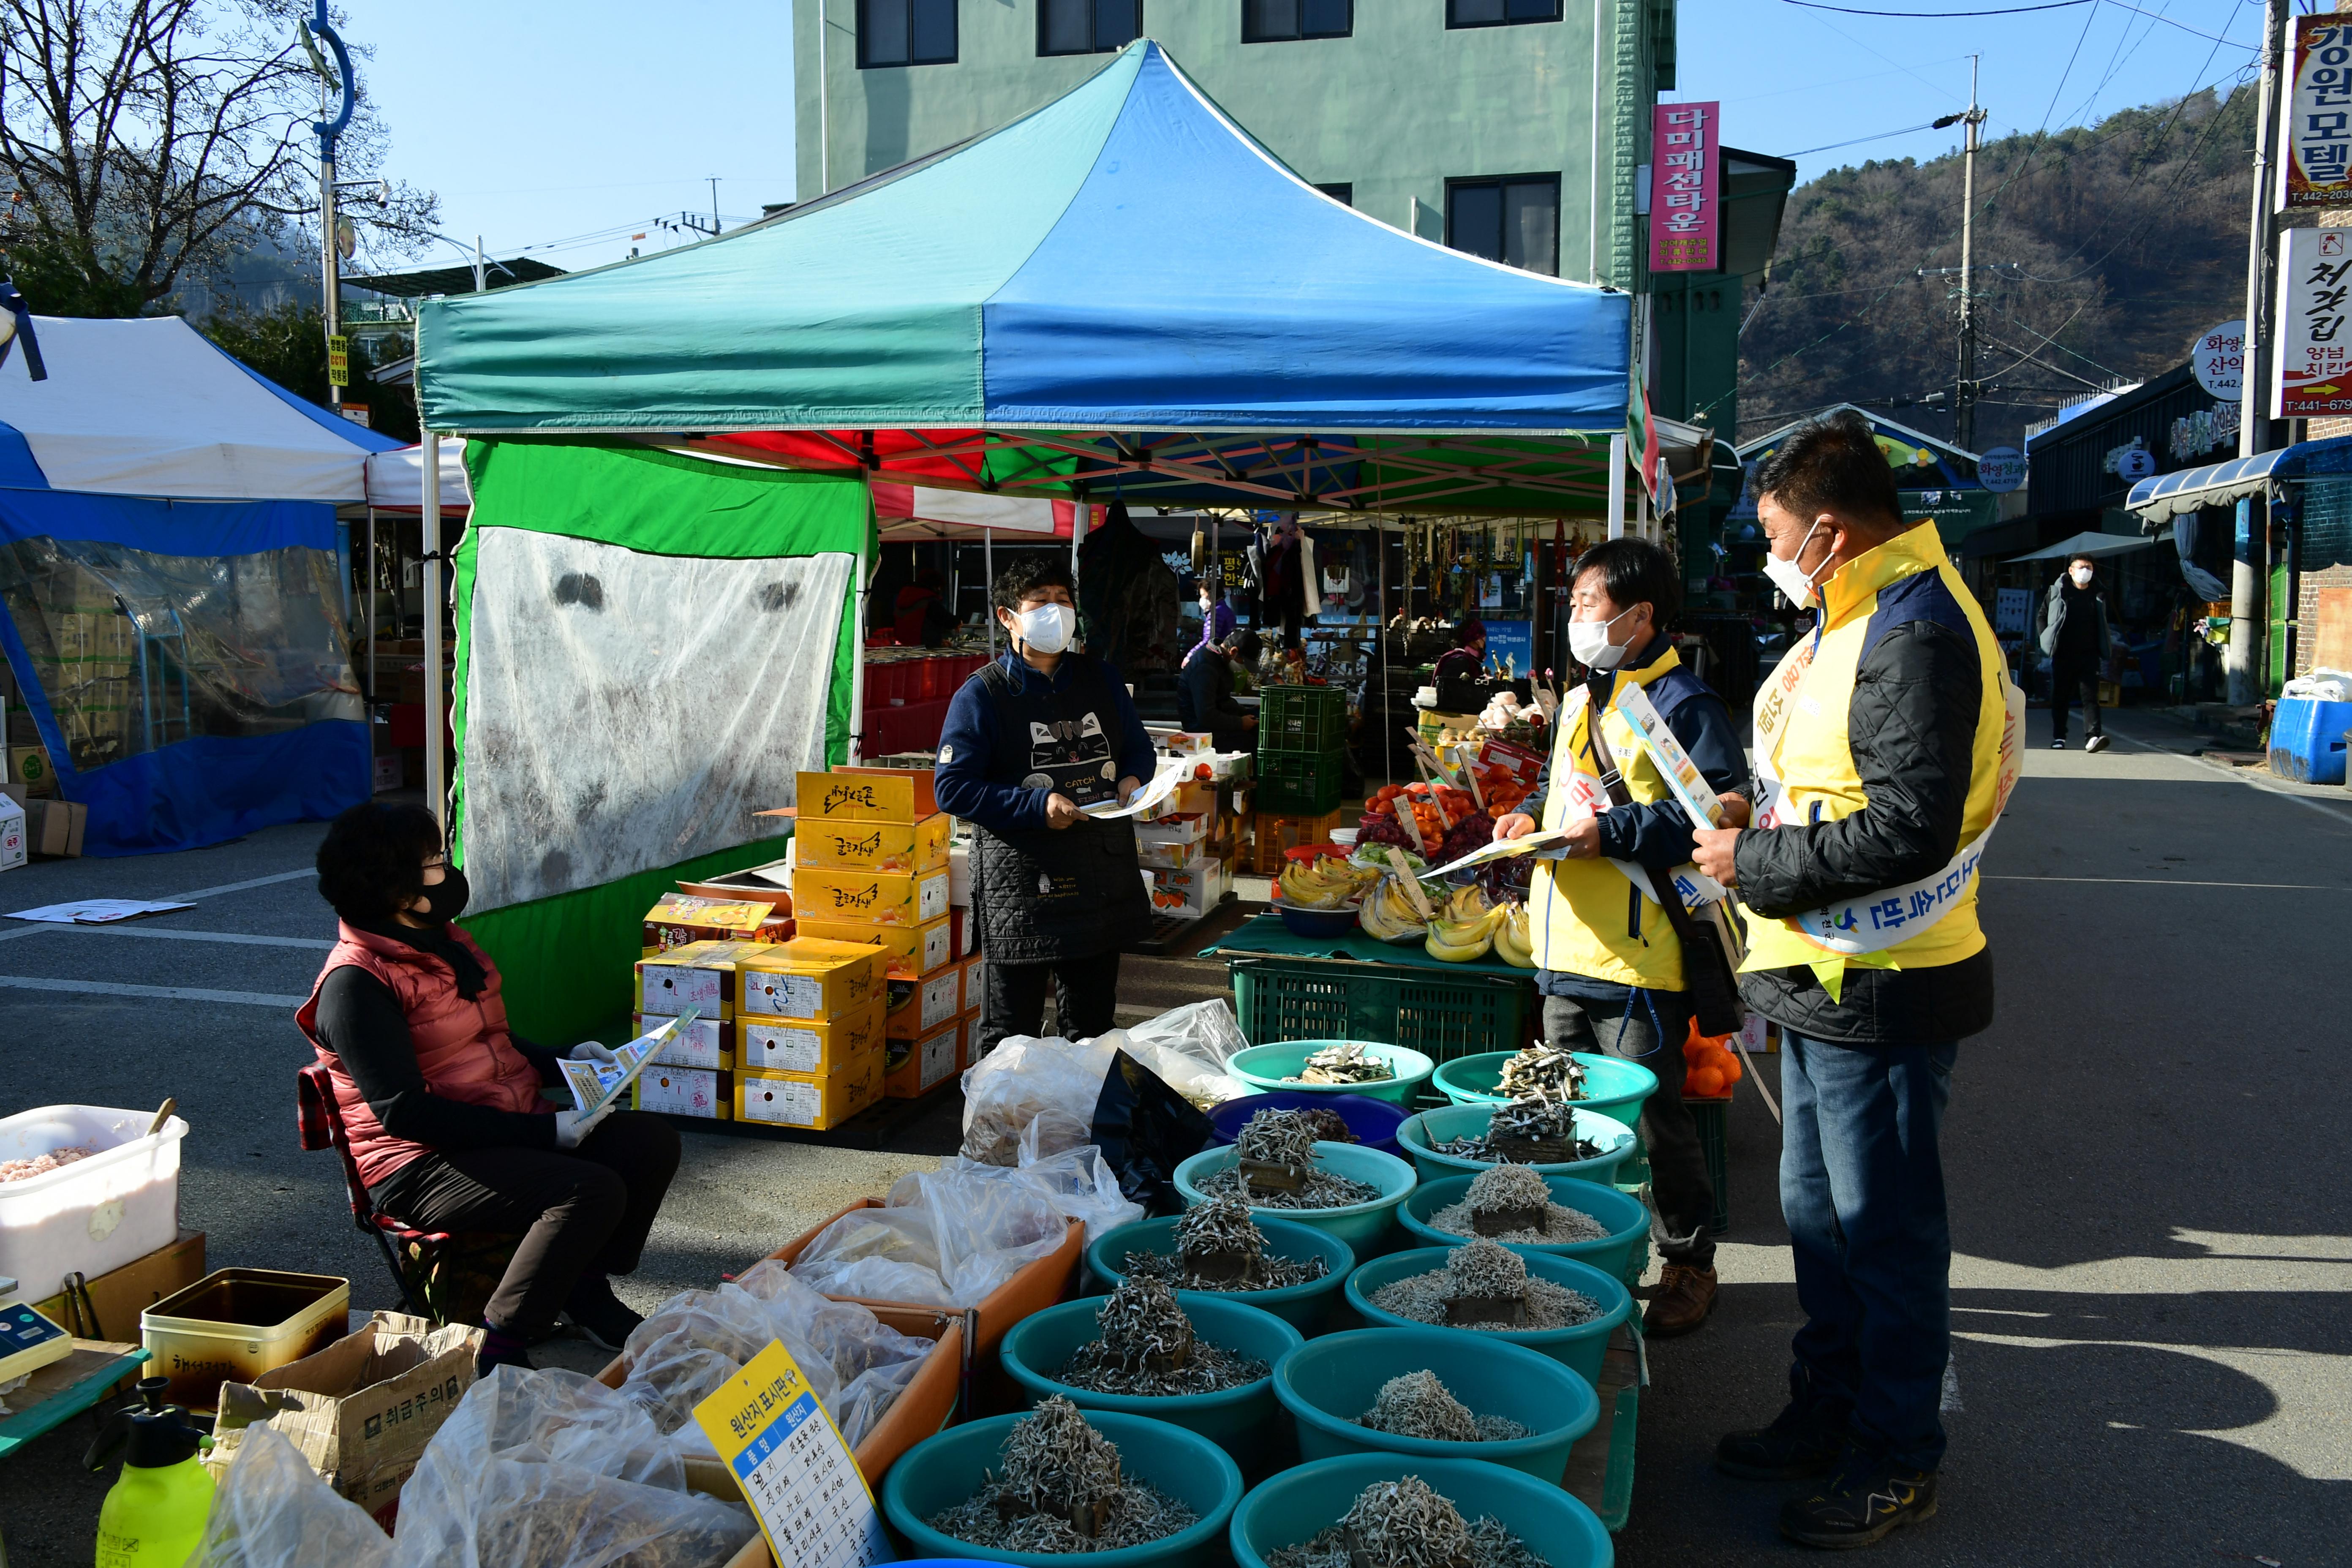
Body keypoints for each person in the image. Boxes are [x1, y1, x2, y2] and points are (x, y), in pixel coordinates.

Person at [1688, 409, 2009, 1549]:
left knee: (1884, 1230)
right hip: (1822, 972)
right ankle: (1827, 1411)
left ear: (1828, 533)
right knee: (1820, 1220)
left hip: (1887, 978)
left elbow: (1910, 826)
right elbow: (1833, 782)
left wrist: (1753, 862)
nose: (1769, 558)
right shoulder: (1857, 612)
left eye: (1776, 536)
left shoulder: (1914, 628)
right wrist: (1752, 814)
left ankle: (1895, 1454)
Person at [298, 803, 681, 1376]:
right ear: (398, 888)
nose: (445, 871)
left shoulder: (441, 941)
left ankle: (582, 1288)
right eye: (432, 863)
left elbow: (491, 1042)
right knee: (587, 1188)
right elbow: (405, 1113)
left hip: (488, 1125)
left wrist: (569, 1062)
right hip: (419, 1164)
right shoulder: (355, 985)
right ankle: (501, 1343)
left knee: (647, 1142)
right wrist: (545, 1131)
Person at [1491, 539, 1750, 1338]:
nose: (1573, 614)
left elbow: (1711, 818)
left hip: (1639, 957)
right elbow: (1553, 785)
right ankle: (1570, 1256)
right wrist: (1527, 817)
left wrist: (1612, 831)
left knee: (1650, 1118)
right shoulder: (1582, 696)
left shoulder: (1682, 703)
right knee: (1554, 1114)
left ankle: (1689, 1260)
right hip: (1560, 947)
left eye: (1586, 603)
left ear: (1638, 615)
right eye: (1570, 602)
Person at [936, 557, 1156, 1053]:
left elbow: (1138, 748)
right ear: (1007, 617)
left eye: (1064, 600)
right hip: (1023, 884)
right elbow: (952, 788)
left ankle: (1078, 1127)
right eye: (1041, 603)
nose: (1056, 612)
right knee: (1012, 1033)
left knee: (1093, 1026)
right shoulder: (984, 694)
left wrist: (1134, 777)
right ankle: (1007, 1129)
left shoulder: (1101, 679)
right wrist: (1036, 807)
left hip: (1098, 874)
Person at [2039, 551, 2113, 751]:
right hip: (2063, 653)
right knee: (2061, 697)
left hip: (2090, 654)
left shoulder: (2099, 593)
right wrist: (2046, 639)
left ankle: (2093, 737)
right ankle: (2059, 737)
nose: (2085, 571)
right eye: (2081, 568)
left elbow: (2104, 621)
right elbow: (2042, 615)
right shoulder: (2058, 591)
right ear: (2071, 571)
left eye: (2088, 568)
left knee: (2090, 697)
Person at [1178, 627, 1261, 752]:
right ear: (1233, 652)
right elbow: (1206, 715)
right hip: (1204, 733)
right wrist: (1240, 723)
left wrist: (1246, 712)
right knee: (1253, 744)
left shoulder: (1220, 661)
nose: (1244, 668)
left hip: (1217, 725)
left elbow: (1223, 701)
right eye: (1243, 662)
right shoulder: (1205, 668)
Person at [893, 566, 958, 648]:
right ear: (935, 586)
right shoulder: (929, 601)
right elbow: (948, 621)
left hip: (903, 647)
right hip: (923, 650)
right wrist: (957, 622)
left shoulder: (905, 598)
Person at [1432, 616, 1487, 712]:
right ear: (1477, 640)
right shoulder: (1459, 660)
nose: (1485, 643)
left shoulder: (1467, 659)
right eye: (1484, 639)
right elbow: (1450, 693)